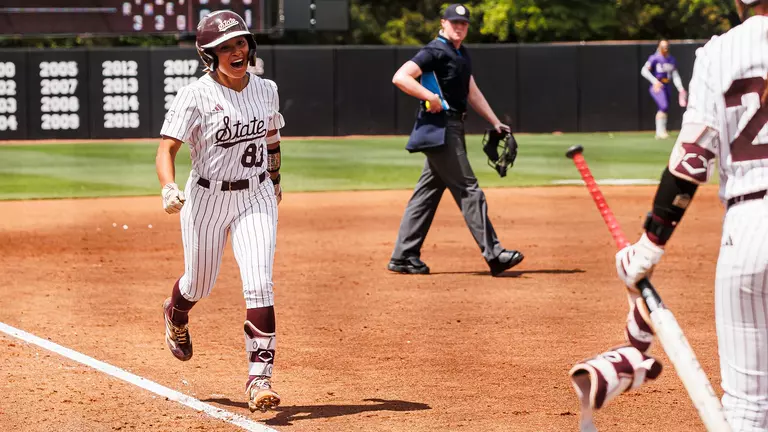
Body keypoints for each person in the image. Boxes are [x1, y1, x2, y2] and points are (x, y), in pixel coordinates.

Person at [617, 1, 768, 429]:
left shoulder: (719, 52)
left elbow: (692, 160)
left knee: (748, 411)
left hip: (749, 226)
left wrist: (650, 245)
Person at [155, 10, 285, 413]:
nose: (236, 51)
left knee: (260, 283)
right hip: (207, 199)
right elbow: (166, 149)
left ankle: (259, 380)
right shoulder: (195, 95)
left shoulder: (266, 89)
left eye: (240, 42)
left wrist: (275, 180)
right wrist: (168, 187)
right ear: (208, 55)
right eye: (224, 47)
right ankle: (175, 313)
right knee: (199, 285)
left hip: (255, 195)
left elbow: (272, 139)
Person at [387, 3, 524, 277]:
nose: (459, 27)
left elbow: (472, 91)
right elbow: (400, 77)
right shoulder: (435, 51)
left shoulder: (461, 53)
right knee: (469, 188)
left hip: (452, 127)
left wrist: (494, 121)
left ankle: (404, 255)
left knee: (426, 194)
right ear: (443, 23)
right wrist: (430, 96)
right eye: (454, 22)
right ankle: (494, 253)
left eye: (463, 23)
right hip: (441, 129)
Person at [641, 40, 688, 139]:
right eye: (662, 46)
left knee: (664, 108)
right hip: (658, 85)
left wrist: (680, 88)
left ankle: (661, 131)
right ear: (659, 47)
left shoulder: (671, 59)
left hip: (667, 85)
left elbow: (675, 75)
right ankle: (660, 132)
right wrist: (655, 82)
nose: (665, 48)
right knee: (663, 106)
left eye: (666, 46)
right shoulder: (654, 58)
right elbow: (644, 71)